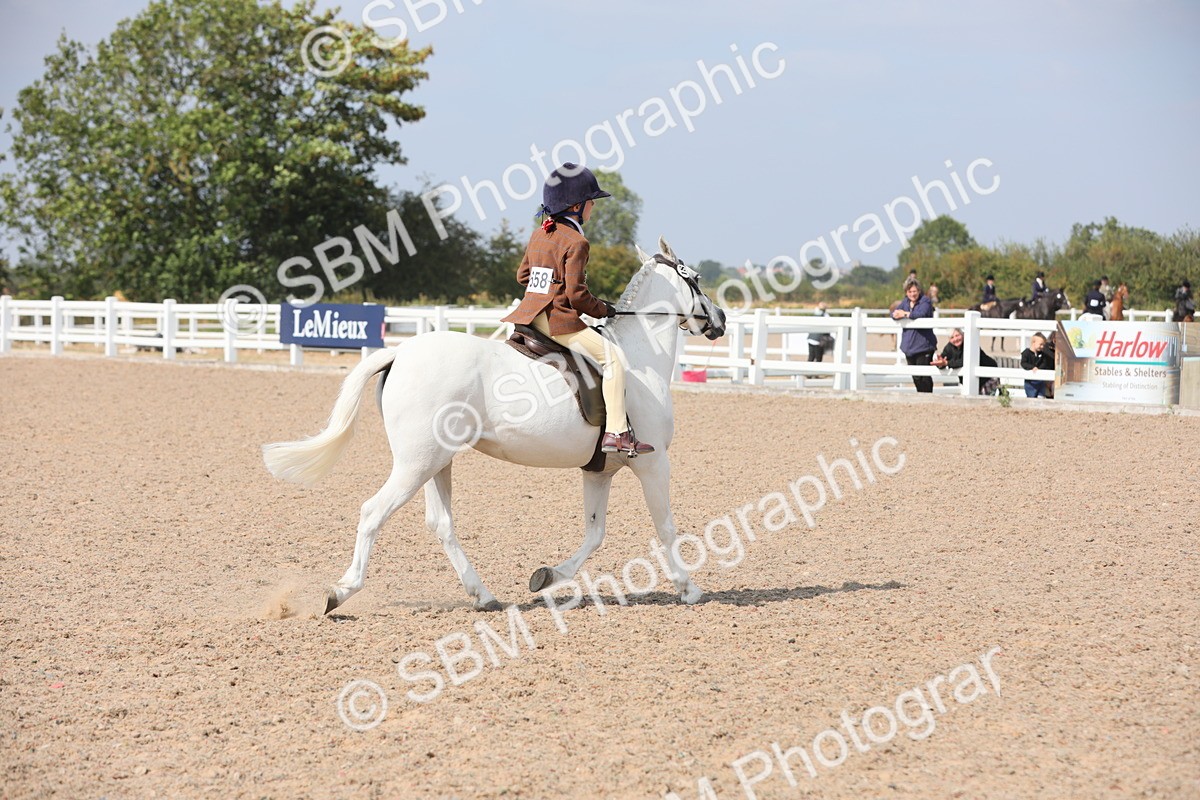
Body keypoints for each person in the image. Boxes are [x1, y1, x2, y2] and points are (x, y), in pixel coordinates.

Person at [500, 163, 653, 456]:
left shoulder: (539, 234)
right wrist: (605, 310)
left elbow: (523, 277)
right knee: (613, 359)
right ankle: (617, 433)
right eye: (591, 201)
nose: (594, 206)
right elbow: (577, 296)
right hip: (555, 319)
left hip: (529, 315)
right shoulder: (577, 241)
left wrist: (545, 285)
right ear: (576, 206)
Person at [892, 278, 938, 393]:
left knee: (924, 375)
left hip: (923, 345)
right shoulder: (905, 302)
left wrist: (905, 314)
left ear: (919, 291)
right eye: (910, 292)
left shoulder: (925, 301)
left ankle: (927, 397)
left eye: (914, 291)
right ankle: (920, 396)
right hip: (909, 346)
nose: (912, 294)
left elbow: (921, 314)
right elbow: (894, 312)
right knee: (915, 376)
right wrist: (896, 315)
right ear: (906, 293)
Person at [932, 327, 999, 394]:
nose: (955, 339)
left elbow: (964, 361)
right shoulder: (949, 348)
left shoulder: (970, 344)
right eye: (952, 337)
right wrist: (940, 365)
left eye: (957, 335)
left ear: (963, 335)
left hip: (988, 377)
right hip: (972, 381)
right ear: (949, 340)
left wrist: (947, 363)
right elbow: (943, 360)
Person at [1020, 333, 1054, 398]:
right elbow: (1023, 363)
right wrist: (1032, 367)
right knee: (1031, 398)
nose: (1042, 347)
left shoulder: (1043, 355)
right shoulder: (1026, 353)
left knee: (1041, 398)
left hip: (1040, 381)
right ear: (1033, 342)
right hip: (1030, 383)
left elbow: (1044, 364)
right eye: (1041, 344)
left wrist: (1039, 369)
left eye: (1043, 345)